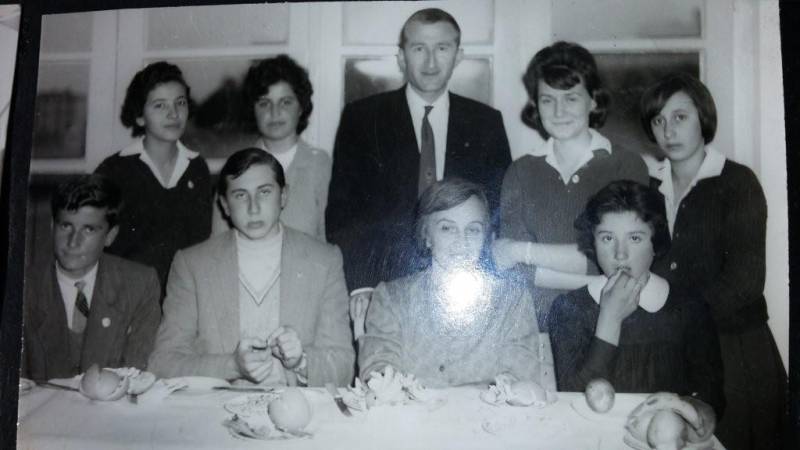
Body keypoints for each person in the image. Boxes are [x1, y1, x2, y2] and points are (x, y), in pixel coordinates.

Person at [327, 8, 512, 330]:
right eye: (418, 48)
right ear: (401, 57)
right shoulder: (362, 118)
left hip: (462, 287)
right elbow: (344, 212)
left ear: (458, 55)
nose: (430, 61)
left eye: (442, 48)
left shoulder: (486, 122)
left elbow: (498, 210)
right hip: (383, 284)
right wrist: (361, 283)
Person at [640, 73, 787, 450]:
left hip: (735, 349)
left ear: (703, 117)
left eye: (680, 117)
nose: (668, 130)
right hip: (673, 349)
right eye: (658, 120)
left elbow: (746, 280)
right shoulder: (649, 189)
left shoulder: (737, 182)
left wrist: (679, 318)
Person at [148, 148, 354, 387]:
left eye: (264, 192)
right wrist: (232, 366)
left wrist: (300, 363)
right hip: (214, 409)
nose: (253, 208)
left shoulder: (324, 260)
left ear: (283, 196)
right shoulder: (191, 265)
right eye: (240, 195)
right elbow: (162, 364)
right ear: (224, 204)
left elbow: (343, 367)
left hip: (295, 405)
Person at [495, 41, 649, 329]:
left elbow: (622, 261)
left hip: (611, 325)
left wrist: (523, 251)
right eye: (547, 100)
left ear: (593, 101)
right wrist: (594, 276)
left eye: (571, 98)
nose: (559, 111)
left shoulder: (626, 166)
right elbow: (510, 267)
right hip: (536, 327)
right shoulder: (520, 172)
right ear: (536, 105)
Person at [548, 180, 725, 418]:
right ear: (593, 243)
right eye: (607, 238)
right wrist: (609, 319)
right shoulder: (568, 308)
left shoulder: (689, 307)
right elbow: (574, 401)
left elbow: (710, 400)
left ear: (656, 243)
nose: (620, 254)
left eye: (635, 238)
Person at [358, 178, 540, 387]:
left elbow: (522, 376)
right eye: (447, 228)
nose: (461, 241)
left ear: (485, 237)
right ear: (427, 235)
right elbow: (378, 368)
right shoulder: (392, 298)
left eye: (473, 230)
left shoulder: (513, 301)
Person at [22, 175, 161, 380]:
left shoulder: (139, 285)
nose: (73, 242)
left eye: (89, 229)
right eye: (66, 226)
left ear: (110, 236)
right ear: (52, 226)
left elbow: (136, 372)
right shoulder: (23, 288)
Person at [95, 61, 213, 293]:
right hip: (126, 298)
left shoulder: (197, 168)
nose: (173, 113)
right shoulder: (114, 170)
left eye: (180, 103)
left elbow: (202, 246)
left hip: (184, 297)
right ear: (140, 117)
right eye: (160, 105)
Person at [214, 55, 330, 240]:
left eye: (285, 102)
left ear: (301, 107)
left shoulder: (321, 165)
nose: (274, 112)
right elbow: (218, 244)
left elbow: (330, 240)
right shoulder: (235, 166)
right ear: (253, 109)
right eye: (264, 103)